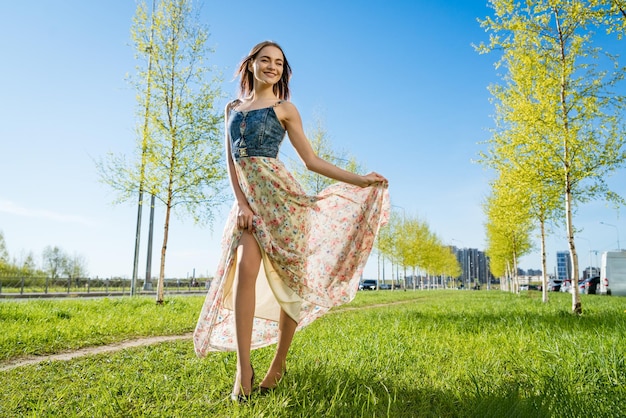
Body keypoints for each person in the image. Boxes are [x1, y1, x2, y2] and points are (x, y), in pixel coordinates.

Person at [193, 40, 389, 402]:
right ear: (250, 64)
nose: (272, 66)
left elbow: (312, 161)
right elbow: (232, 163)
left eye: (279, 63)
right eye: (265, 60)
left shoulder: (285, 109)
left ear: (283, 72)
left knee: (291, 285)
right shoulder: (232, 108)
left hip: (285, 204)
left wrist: (361, 180)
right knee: (245, 272)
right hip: (250, 207)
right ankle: (243, 368)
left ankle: (278, 364)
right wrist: (240, 204)